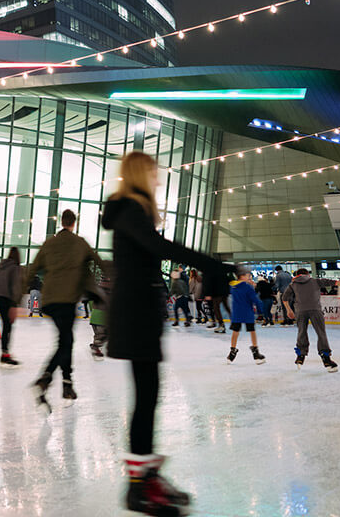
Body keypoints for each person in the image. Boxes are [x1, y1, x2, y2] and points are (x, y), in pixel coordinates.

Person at [101, 151, 233, 516]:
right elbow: (160, 248)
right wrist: (209, 263)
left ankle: (144, 479)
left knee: (149, 396)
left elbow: (154, 249)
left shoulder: (131, 210)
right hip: (133, 313)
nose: (158, 179)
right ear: (141, 174)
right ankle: (139, 486)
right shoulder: (130, 209)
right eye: (154, 173)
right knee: (146, 397)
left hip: (139, 311)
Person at [26, 209, 103, 409]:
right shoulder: (80, 243)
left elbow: (32, 269)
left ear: (61, 221)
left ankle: (66, 385)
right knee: (65, 342)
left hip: (50, 300)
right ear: (74, 223)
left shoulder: (49, 243)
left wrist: (14, 298)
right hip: (67, 300)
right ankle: (45, 380)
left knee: (66, 340)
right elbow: (98, 263)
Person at [282, 268, 337, 372]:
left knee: (301, 332)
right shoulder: (315, 281)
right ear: (307, 274)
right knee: (321, 333)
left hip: (300, 311)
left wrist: (289, 310)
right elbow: (334, 282)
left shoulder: (293, 284)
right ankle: (326, 358)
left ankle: (300, 355)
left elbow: (284, 298)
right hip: (315, 310)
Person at [0, 247, 23, 366]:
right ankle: (5, 354)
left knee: (6, 325)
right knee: (8, 326)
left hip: (0, 297)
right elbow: (16, 285)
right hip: (8, 298)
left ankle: (5, 352)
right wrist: (14, 305)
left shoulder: (3, 267)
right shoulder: (15, 268)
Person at [227, 271, 266, 364]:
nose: (249, 278)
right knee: (252, 331)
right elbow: (255, 299)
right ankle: (256, 353)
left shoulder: (232, 286)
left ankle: (232, 352)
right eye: (248, 276)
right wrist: (260, 310)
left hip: (236, 313)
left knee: (235, 331)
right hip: (247, 313)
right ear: (242, 276)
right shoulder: (247, 287)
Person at [203, 267, 231, 333]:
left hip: (217, 293)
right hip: (224, 293)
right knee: (226, 307)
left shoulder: (211, 272)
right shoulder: (222, 271)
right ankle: (234, 322)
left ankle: (221, 325)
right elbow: (228, 280)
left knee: (216, 309)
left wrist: (208, 293)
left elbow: (209, 283)